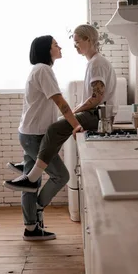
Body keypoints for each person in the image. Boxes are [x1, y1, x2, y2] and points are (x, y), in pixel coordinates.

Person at [3, 24, 117, 195]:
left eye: (77, 41)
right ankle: (34, 164)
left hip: (98, 115)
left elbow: (97, 97)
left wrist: (76, 111)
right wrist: (75, 112)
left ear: (89, 40)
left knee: (55, 128)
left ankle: (32, 178)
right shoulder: (93, 63)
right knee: (57, 126)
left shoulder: (96, 63)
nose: (74, 46)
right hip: (95, 113)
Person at [10, 35, 83, 241]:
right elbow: (60, 101)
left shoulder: (39, 70)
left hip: (29, 133)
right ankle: (37, 209)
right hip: (35, 136)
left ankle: (31, 228)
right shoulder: (44, 69)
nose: (59, 47)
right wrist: (75, 124)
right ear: (46, 50)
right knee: (61, 176)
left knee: (30, 181)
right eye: (55, 44)